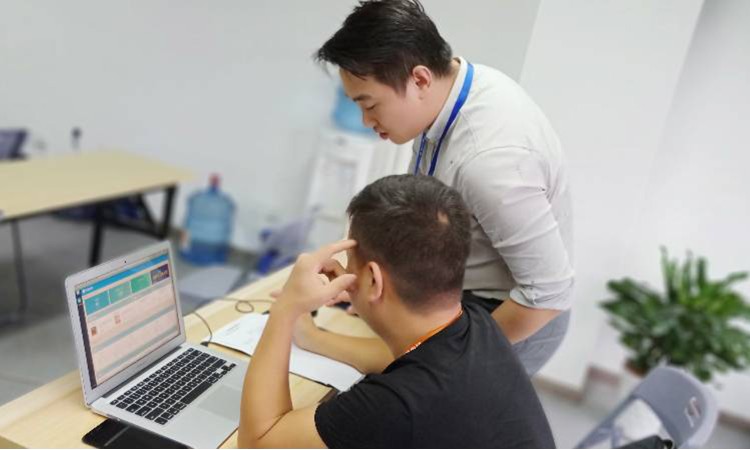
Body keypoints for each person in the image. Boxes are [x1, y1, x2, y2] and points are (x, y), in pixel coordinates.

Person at [314, 0, 574, 374]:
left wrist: (445, 356)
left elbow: (548, 294)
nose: (366, 120)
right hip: (459, 292)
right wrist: (361, 275)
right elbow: (422, 215)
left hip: (513, 312)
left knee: (399, 378)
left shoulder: (489, 160)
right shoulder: (449, 93)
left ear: (419, 79)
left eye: (369, 104)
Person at [237, 175, 554, 448]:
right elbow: (396, 359)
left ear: (374, 280)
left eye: (351, 259)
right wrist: (313, 336)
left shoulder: (396, 406)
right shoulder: (477, 325)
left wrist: (285, 310)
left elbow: (258, 442)